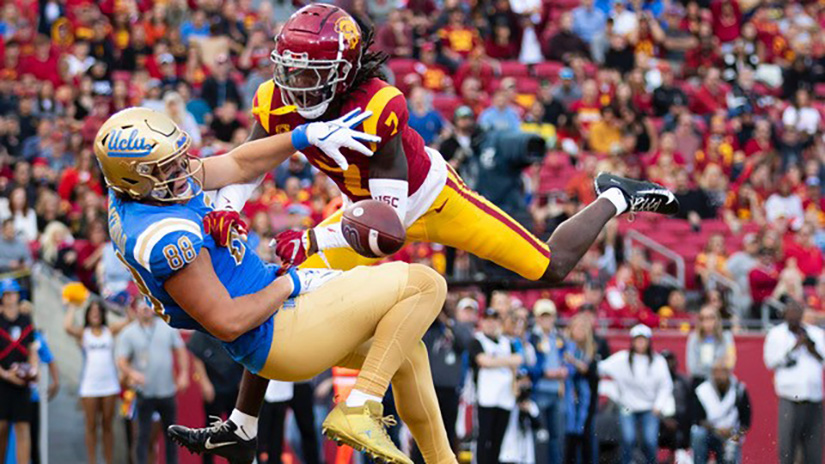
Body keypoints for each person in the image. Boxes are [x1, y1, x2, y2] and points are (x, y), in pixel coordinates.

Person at [174, 5, 679, 462]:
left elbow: (389, 227)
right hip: (362, 210)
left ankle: (614, 195)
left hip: (430, 200)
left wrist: (311, 241)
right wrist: (229, 210)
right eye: (292, 70)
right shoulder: (274, 100)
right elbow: (245, 167)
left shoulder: (378, 105)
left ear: (345, 71)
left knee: (551, 267)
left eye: (313, 73)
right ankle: (242, 426)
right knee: (278, 293)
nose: (298, 83)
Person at [95, 103, 453, 464]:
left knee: (406, 351)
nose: (182, 170)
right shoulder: (166, 237)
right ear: (135, 177)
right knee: (424, 284)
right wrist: (289, 284)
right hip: (279, 333)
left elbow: (237, 165)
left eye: (177, 159)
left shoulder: (140, 190)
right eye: (167, 167)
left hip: (273, 318)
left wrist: (303, 137)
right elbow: (228, 322)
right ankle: (360, 407)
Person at [116, 301, 190, 464]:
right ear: (135, 310)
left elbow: (180, 350)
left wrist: (184, 373)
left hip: (167, 391)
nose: (146, 310)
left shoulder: (167, 328)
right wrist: (131, 372)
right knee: (142, 436)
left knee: (172, 435)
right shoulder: (128, 333)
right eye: (142, 307)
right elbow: (121, 361)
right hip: (144, 392)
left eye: (148, 306)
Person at [64, 299, 130, 464]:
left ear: (102, 314)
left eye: (98, 311)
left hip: (110, 385)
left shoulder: (109, 331)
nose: (95, 314)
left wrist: (123, 302)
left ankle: (108, 460)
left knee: (108, 425)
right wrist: (72, 305)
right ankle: (92, 461)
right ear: (88, 314)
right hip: (89, 385)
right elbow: (67, 327)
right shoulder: (83, 333)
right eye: (92, 311)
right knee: (91, 426)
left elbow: (129, 320)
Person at [598, 324, 672, 464]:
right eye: (637, 339)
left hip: (650, 408)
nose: (640, 343)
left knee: (650, 441)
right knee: (628, 438)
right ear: (632, 341)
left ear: (649, 342)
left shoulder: (658, 362)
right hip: (627, 407)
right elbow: (600, 368)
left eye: (643, 340)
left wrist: (658, 405)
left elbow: (666, 385)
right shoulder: (622, 358)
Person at [764, 299, 825, 464]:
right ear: (784, 313)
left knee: (814, 447)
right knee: (787, 447)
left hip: (814, 397)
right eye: (790, 311)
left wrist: (811, 348)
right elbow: (770, 361)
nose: (794, 315)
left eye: (797, 311)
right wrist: (793, 349)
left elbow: (823, 358)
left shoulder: (815, 333)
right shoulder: (776, 334)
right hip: (790, 397)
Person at [470, 309, 522, 464]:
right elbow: (483, 361)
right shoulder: (477, 340)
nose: (490, 323)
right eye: (487, 319)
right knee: (484, 437)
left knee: (498, 439)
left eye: (494, 320)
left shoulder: (507, 342)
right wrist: (506, 360)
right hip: (486, 397)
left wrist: (495, 360)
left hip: (505, 397)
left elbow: (518, 359)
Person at [187, 331, 244, 464]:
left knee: (237, 431)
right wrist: (205, 383)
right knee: (211, 432)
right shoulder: (203, 327)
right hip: (213, 386)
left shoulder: (235, 323)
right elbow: (197, 356)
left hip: (234, 385)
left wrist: (243, 381)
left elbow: (246, 352)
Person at [0, 279, 38, 464]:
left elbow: (32, 349)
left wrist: (32, 371)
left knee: (23, 427)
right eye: (7, 294)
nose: (11, 297)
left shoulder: (26, 320)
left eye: (13, 293)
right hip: (3, 382)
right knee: (2, 427)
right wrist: (7, 375)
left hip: (22, 382)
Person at [691, 361, 752, 464]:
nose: (719, 376)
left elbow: (746, 422)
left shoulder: (739, 390)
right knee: (697, 434)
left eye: (722, 371)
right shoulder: (702, 390)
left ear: (729, 372)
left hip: (732, 434)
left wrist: (736, 434)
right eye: (715, 372)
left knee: (732, 446)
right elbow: (697, 419)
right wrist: (716, 430)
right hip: (710, 433)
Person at [529, 299, 566, 464]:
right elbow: (529, 364)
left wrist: (565, 371)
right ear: (537, 318)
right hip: (539, 390)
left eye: (549, 316)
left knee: (556, 436)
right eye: (542, 316)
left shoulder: (558, 337)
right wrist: (545, 372)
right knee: (540, 435)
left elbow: (566, 359)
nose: (546, 320)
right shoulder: (532, 338)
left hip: (556, 390)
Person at [686, 305, 736, 386]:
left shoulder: (727, 337)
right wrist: (717, 365)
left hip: (721, 382)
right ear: (700, 322)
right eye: (704, 318)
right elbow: (693, 368)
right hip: (700, 381)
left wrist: (706, 366)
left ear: (717, 319)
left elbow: (730, 364)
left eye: (711, 318)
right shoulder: (694, 339)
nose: (708, 322)